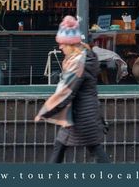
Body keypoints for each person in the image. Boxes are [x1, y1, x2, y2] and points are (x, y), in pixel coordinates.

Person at [34, 15, 110, 163]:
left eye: (63, 44)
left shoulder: (79, 63)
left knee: (94, 149)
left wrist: (46, 111)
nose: (60, 47)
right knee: (61, 147)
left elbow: (67, 92)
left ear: (71, 44)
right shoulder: (82, 58)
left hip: (82, 116)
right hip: (77, 114)